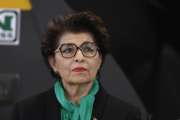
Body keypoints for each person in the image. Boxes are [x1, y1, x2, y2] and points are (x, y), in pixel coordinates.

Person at [13, 11, 141, 120]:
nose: (79, 58)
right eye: (68, 50)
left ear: (100, 60)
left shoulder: (126, 115)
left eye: (88, 49)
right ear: (53, 63)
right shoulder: (26, 113)